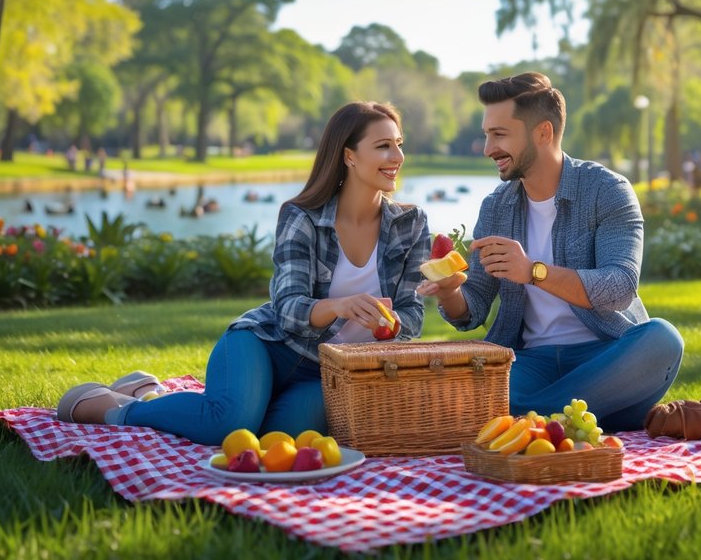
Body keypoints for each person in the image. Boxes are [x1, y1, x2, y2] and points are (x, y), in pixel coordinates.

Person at [54, 101, 430, 444]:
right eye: (383, 145)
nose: (396, 156)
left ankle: (152, 394)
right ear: (349, 156)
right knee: (228, 427)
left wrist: (393, 323)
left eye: (398, 144)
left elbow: (412, 317)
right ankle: (115, 408)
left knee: (274, 441)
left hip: (328, 371)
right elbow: (286, 308)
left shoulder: (410, 225)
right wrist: (340, 306)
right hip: (266, 346)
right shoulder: (302, 217)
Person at [423, 72, 683, 432]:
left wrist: (533, 271)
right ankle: (576, 417)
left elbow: (620, 286)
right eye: (487, 135)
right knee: (464, 384)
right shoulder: (496, 207)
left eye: (499, 135)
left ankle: (529, 419)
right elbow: (475, 307)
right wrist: (451, 291)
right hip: (530, 362)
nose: (487, 149)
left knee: (662, 340)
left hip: (604, 354)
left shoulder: (607, 191)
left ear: (543, 132)